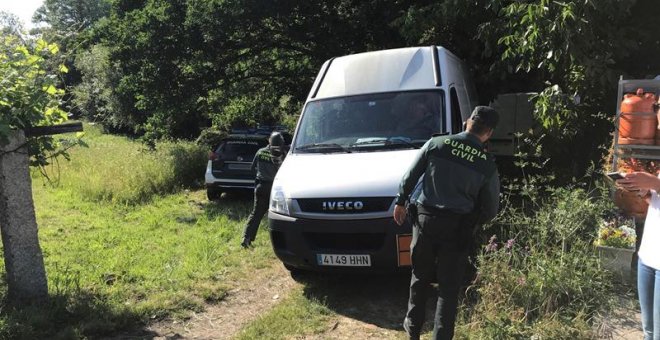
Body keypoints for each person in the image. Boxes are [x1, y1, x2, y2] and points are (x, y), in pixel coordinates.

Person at [393, 106, 501, 340]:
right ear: (489, 133)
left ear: (466, 122)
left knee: (419, 277)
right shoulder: (486, 164)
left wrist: (400, 202)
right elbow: (491, 209)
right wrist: (473, 223)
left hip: (425, 221)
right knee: (448, 288)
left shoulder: (437, 144)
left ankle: (412, 331)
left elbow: (410, 176)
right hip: (458, 228)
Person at [617, 172, 660, 340]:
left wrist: (655, 183)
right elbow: (656, 203)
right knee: (648, 330)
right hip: (648, 254)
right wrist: (645, 192)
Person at [241, 131, 287, 249]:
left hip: (261, 187)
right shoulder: (282, 154)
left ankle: (246, 239)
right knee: (281, 215)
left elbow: (252, 168)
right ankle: (284, 242)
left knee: (256, 214)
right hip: (275, 189)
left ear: (269, 141)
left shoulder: (260, 152)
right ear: (281, 142)